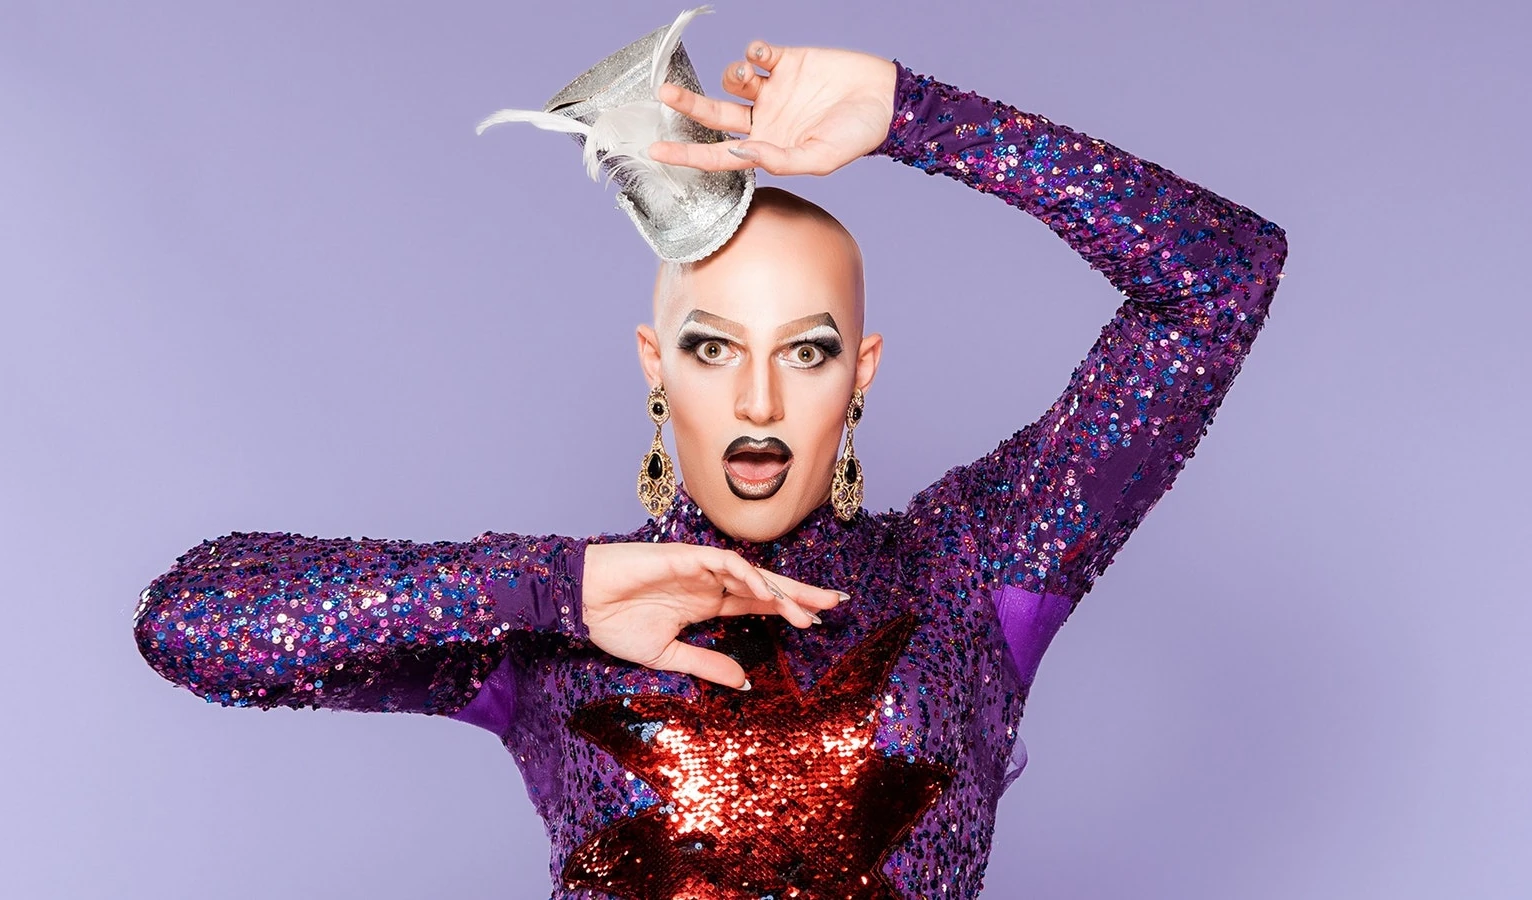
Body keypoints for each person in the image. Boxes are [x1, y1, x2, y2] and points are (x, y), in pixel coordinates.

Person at [133, 14, 1288, 899]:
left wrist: (919, 117)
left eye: (807, 351)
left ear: (860, 373)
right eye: (711, 347)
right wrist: (549, 588)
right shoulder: (563, 621)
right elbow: (190, 626)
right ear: (656, 364)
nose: (758, 399)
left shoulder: (973, 570)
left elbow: (1219, 280)